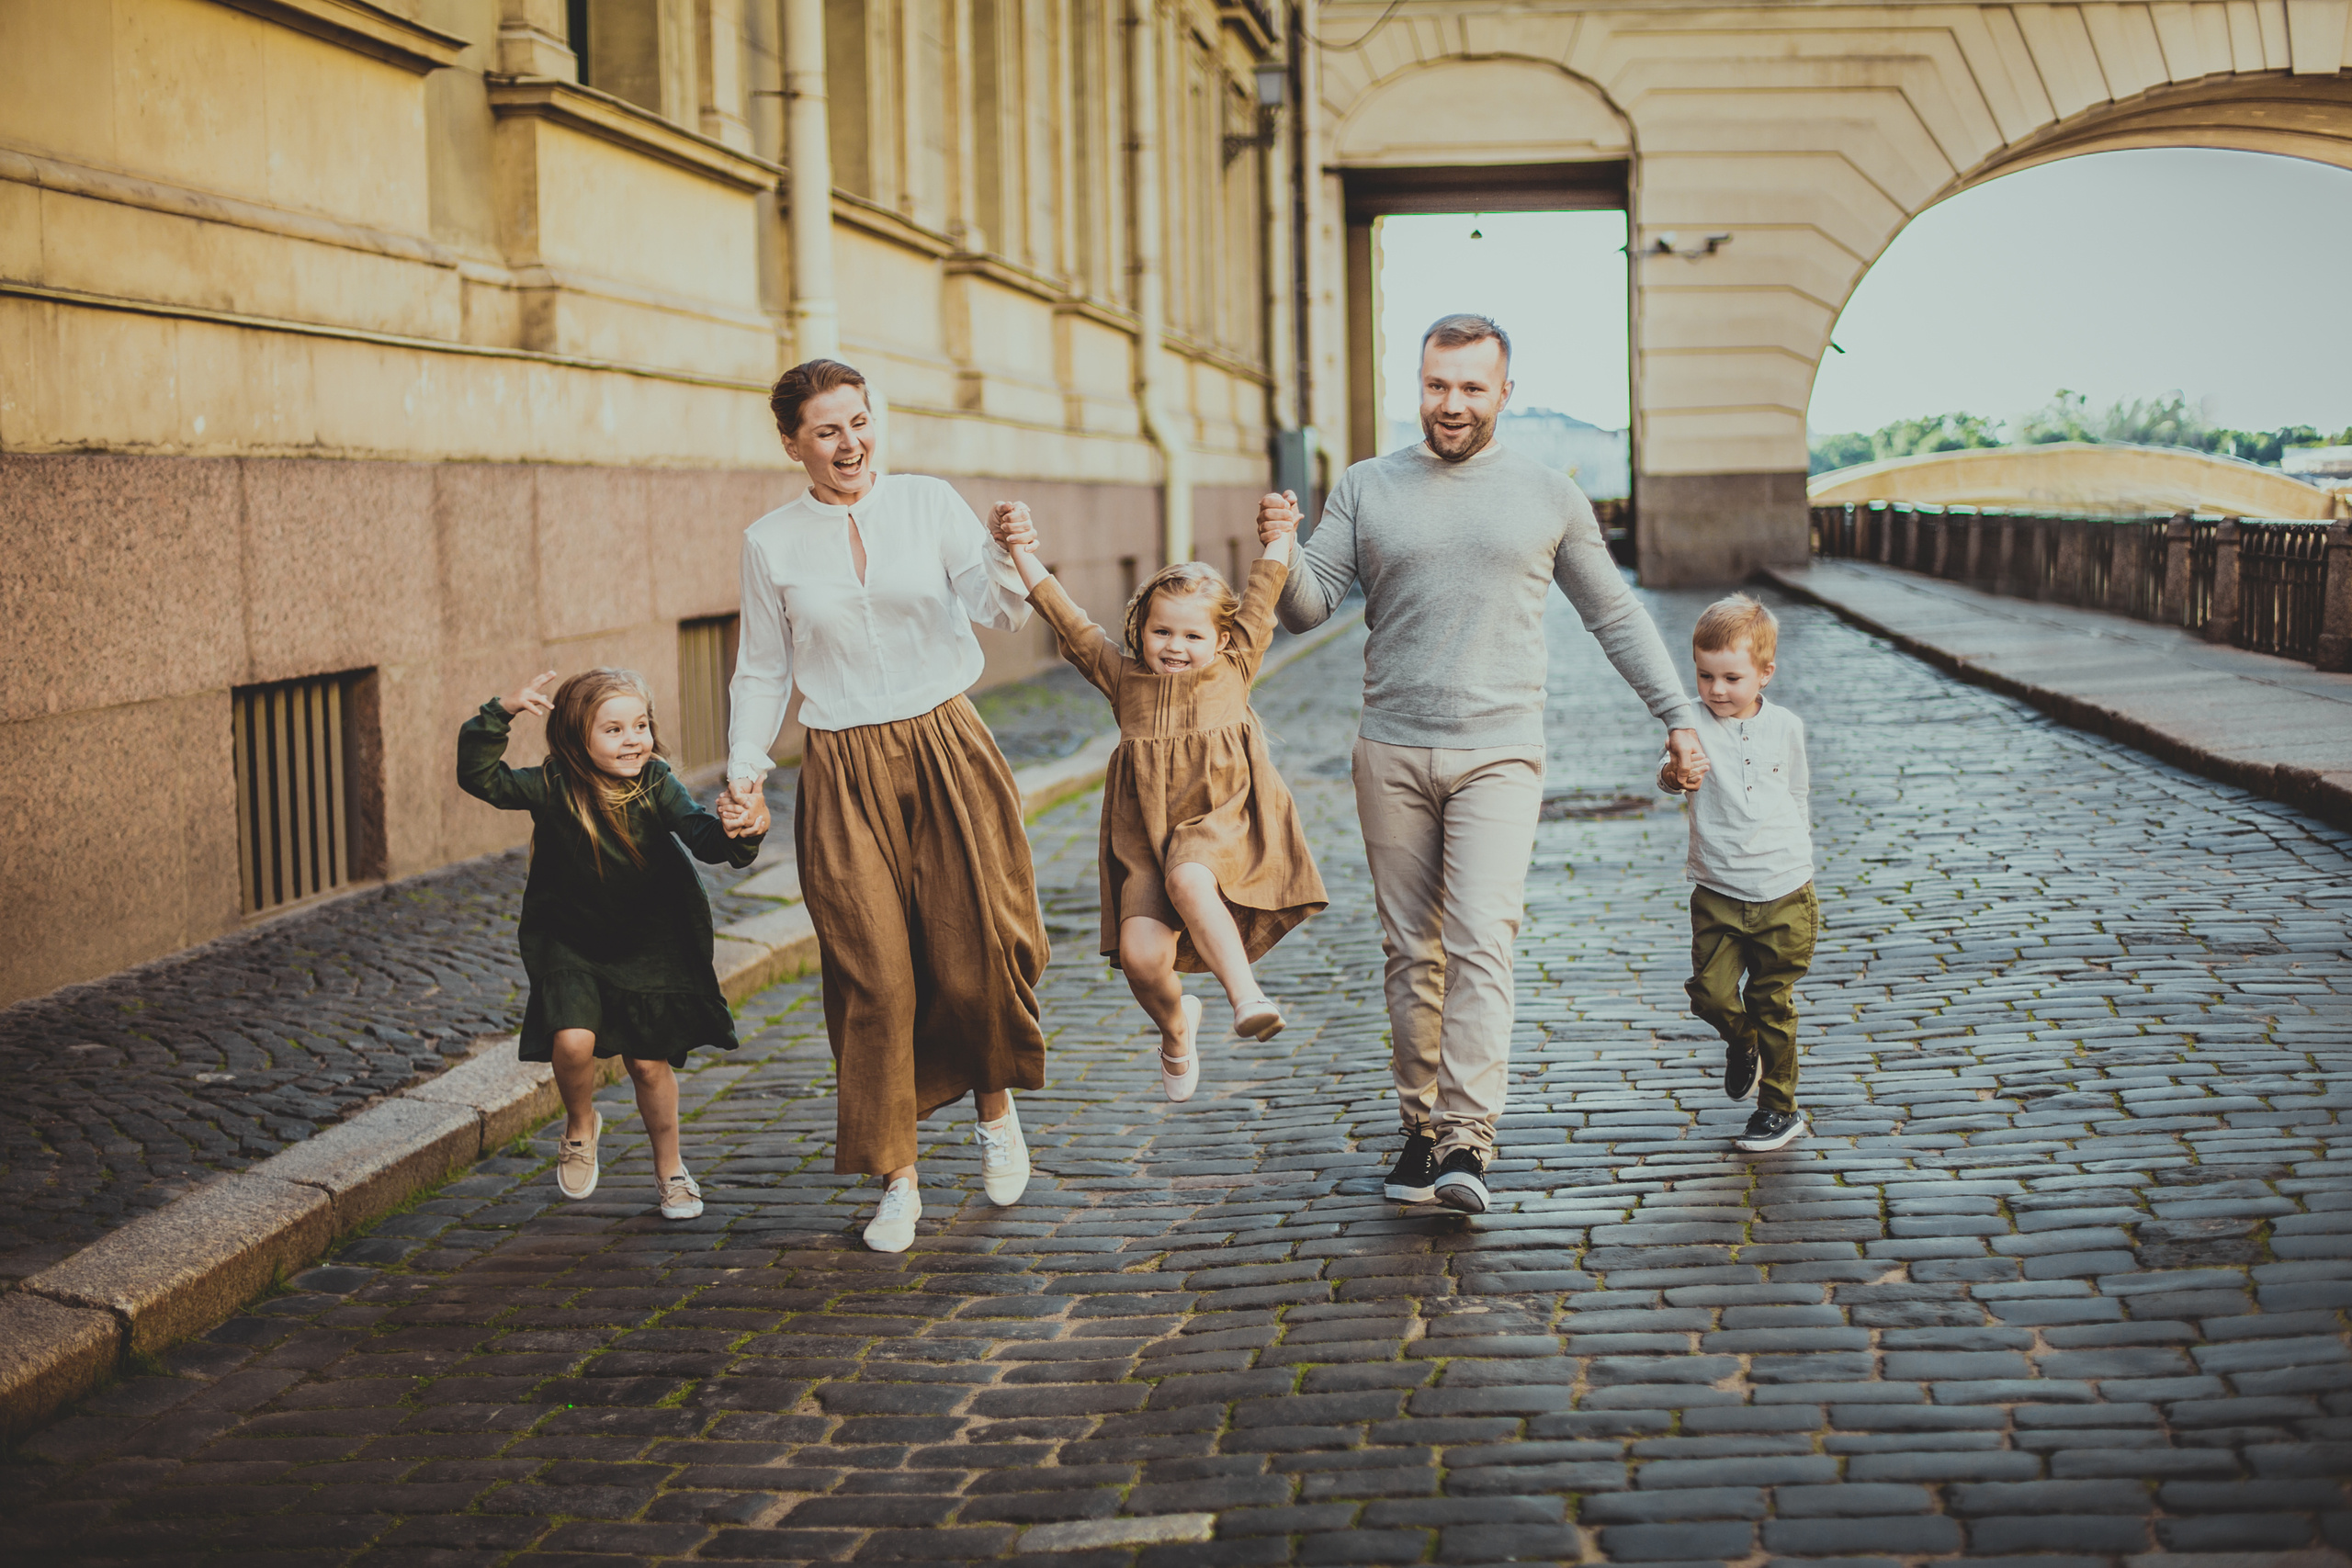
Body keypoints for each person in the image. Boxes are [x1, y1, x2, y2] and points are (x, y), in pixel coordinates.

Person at [1260, 312, 1705, 1215]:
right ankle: (1420, 1126)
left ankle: (1467, 1134)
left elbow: (1613, 614)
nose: (1452, 403)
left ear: (1505, 391)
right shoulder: (1367, 485)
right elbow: (1307, 609)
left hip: (1500, 751)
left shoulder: (1548, 494)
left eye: (1471, 386)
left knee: (1480, 939)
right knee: (1409, 952)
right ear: (1418, 386)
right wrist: (1278, 549)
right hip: (1390, 748)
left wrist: (1679, 716)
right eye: (1437, 384)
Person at [718, 357, 1048, 1254]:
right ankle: (898, 1175)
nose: (849, 444)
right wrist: (746, 768)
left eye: (859, 422)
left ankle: (994, 1110)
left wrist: (1010, 550)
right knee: (876, 976)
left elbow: (1000, 610)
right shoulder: (770, 543)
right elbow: (763, 668)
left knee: (971, 952)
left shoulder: (927, 503)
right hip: (841, 765)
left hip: (946, 743)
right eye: (826, 430)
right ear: (792, 444)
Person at [992, 508, 1328, 1101]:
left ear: (1221, 640)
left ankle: (1246, 996)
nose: (1175, 646)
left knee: (1190, 878)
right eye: (1162, 632)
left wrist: (1280, 535)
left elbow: (1264, 589)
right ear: (1140, 629)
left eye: (1193, 636)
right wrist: (1019, 548)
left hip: (1221, 823)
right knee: (1142, 959)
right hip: (1145, 839)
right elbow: (1065, 618)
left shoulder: (1235, 665)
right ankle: (1176, 1028)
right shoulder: (1123, 679)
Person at [458, 667, 762, 1221]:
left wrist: (742, 830)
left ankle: (671, 1169)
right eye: (614, 729)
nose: (633, 740)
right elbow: (481, 777)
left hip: (650, 944)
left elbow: (704, 838)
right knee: (572, 1041)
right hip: (570, 943)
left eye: (640, 725)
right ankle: (580, 1124)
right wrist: (499, 712)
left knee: (647, 1065)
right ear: (578, 738)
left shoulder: (656, 782)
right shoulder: (552, 784)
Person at [1656, 593, 1816, 1154]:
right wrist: (1677, 775)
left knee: (1773, 1001)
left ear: (1765, 673)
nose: (1716, 689)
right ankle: (1742, 1039)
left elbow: (1797, 792)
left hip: (1784, 891)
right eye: (1705, 675)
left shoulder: (1787, 726)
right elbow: (1667, 772)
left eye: (1731, 678)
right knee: (1710, 993)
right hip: (1717, 889)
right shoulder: (1689, 722)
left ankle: (1779, 1108)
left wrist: (1799, 860)